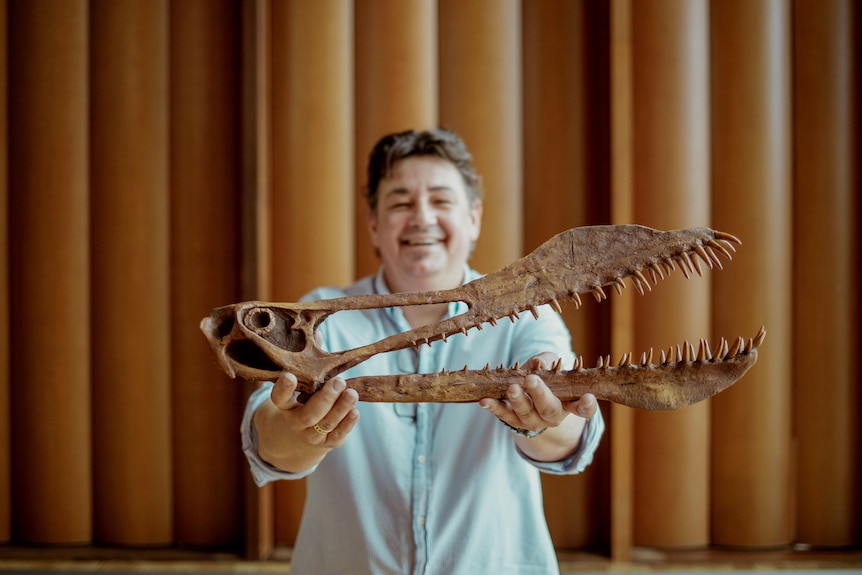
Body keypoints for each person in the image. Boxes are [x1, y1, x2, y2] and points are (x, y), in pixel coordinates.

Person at [241, 128, 605, 574]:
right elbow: (267, 444)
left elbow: (571, 437)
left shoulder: (530, 315)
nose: (422, 218)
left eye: (441, 200)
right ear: (374, 224)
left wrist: (547, 416)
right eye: (400, 203)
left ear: (473, 217)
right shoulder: (318, 320)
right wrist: (297, 434)